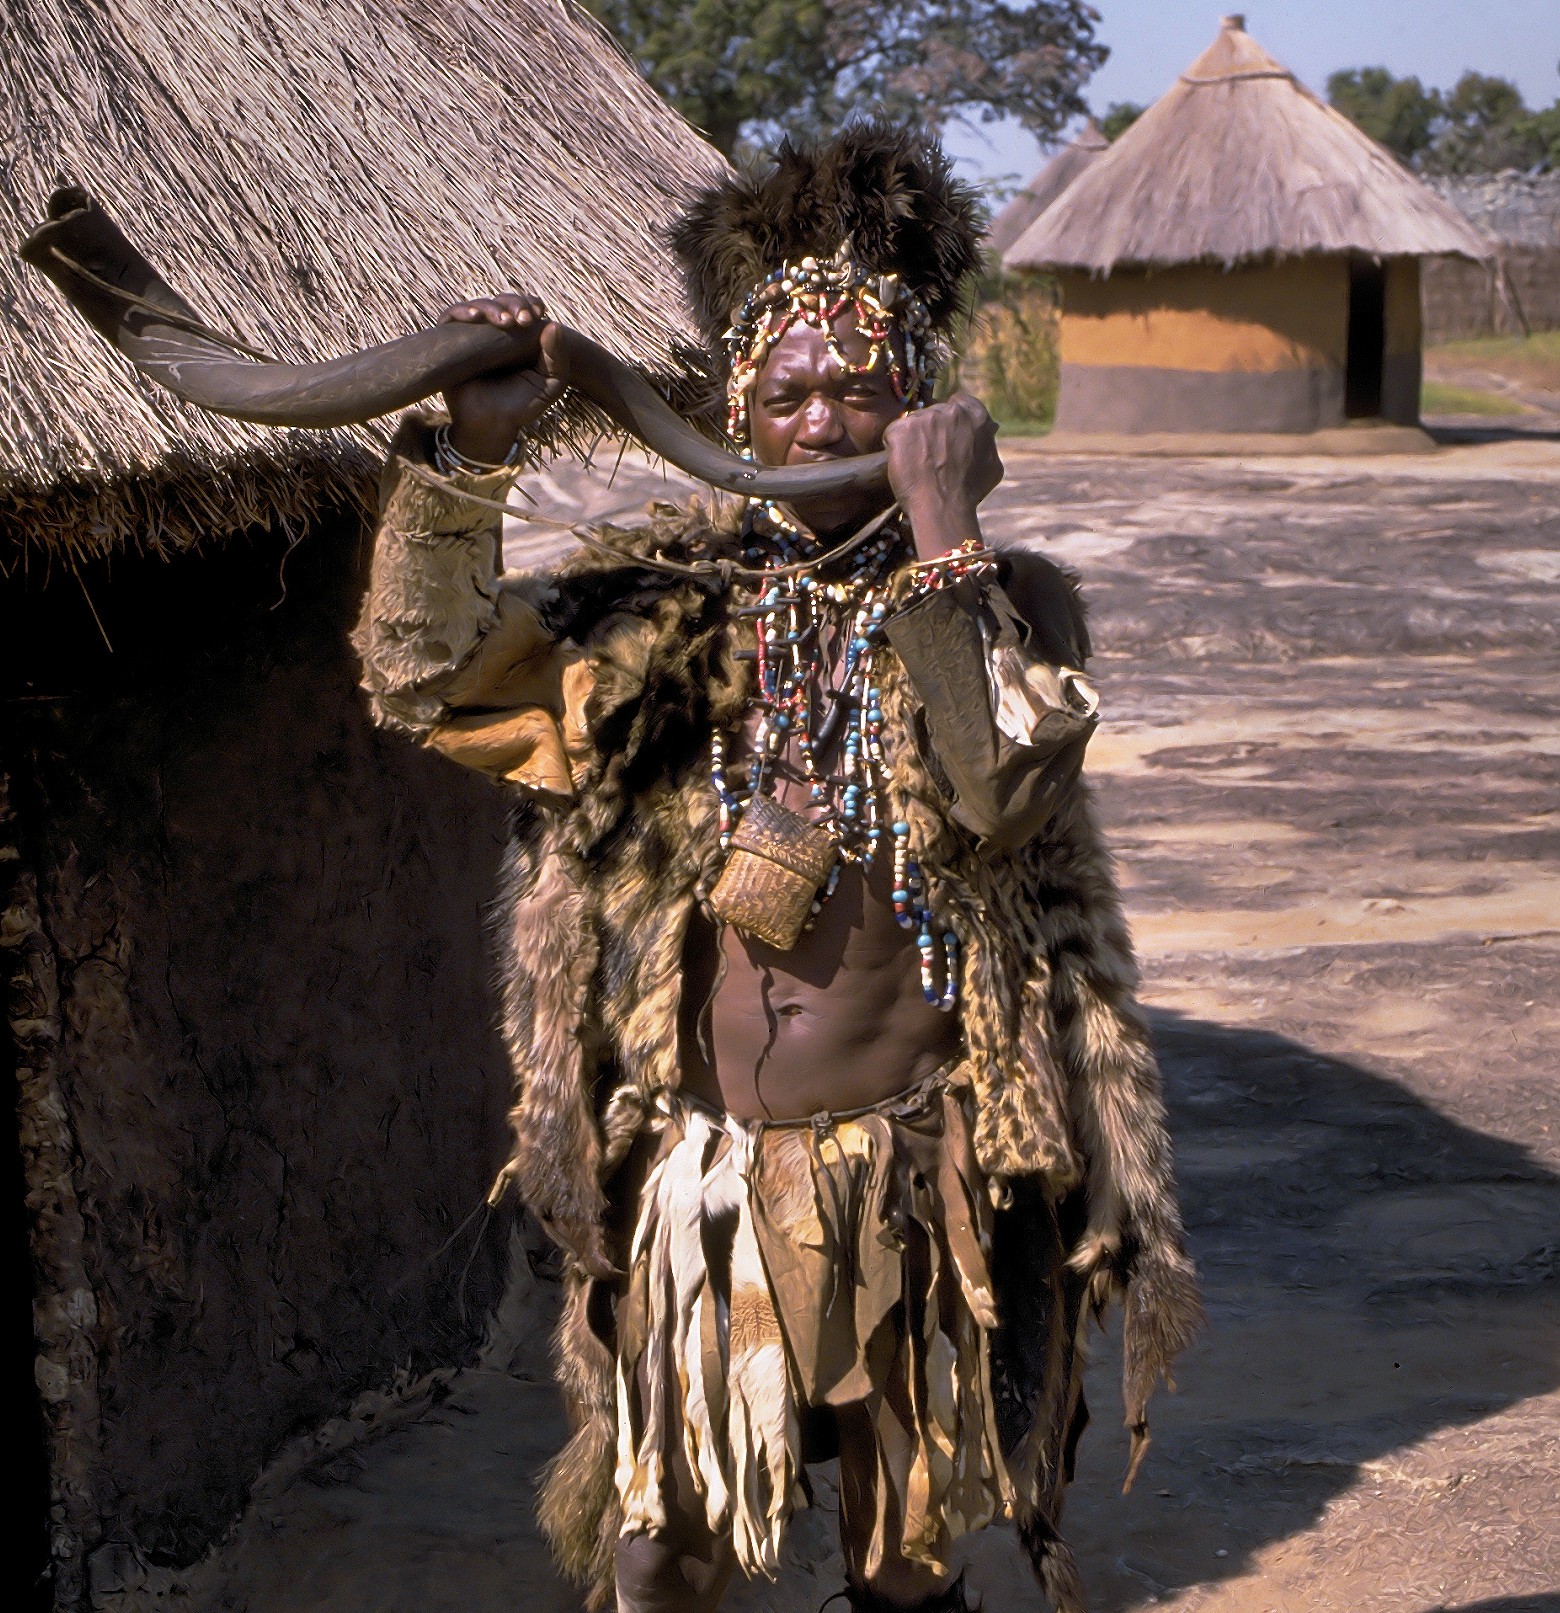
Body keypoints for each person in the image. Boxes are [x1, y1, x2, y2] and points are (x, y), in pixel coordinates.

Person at [353, 123, 1200, 1613]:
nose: (819, 420)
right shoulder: (649, 613)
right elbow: (428, 680)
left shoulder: (1007, 607)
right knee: (661, 1551)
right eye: (790, 388)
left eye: (862, 390)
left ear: (925, 411)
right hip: (700, 1186)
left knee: (903, 1557)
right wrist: (470, 457)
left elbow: (1000, 785)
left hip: (915, 1183)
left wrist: (943, 536)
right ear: (733, 401)